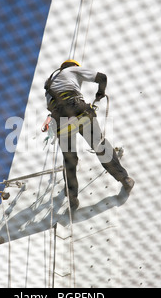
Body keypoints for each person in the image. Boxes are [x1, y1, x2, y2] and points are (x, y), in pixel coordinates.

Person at [43, 59, 135, 211]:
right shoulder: (72, 70)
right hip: (77, 109)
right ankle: (124, 179)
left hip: (59, 119)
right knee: (99, 145)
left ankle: (72, 196)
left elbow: (50, 106)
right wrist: (100, 92)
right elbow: (102, 77)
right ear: (73, 66)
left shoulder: (48, 84)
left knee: (70, 159)